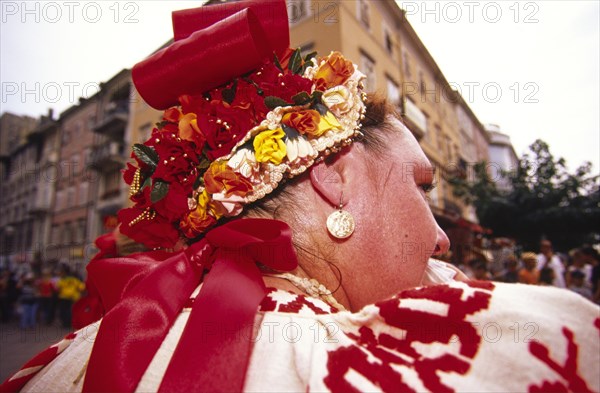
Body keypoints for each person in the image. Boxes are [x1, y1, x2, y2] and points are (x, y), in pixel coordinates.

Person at [2, 1, 598, 392]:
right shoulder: (406, 358)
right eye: (419, 187)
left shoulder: (78, 355)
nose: (442, 236)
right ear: (332, 176)